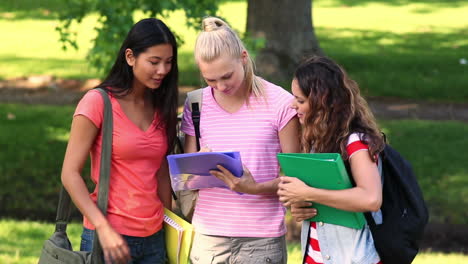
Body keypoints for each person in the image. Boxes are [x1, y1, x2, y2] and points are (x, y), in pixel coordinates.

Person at [180, 16, 300, 264]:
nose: (220, 86)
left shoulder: (280, 103)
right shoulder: (195, 104)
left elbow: (294, 179)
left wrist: (252, 188)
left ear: (243, 58)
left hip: (261, 241)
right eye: (210, 80)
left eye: (226, 76)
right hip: (208, 240)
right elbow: (185, 179)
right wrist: (197, 165)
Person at [60, 18, 178, 264]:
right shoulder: (98, 102)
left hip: (155, 240)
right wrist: (102, 228)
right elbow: (70, 174)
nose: (163, 71)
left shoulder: (161, 107)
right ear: (130, 57)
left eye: (168, 62)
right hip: (108, 239)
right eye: (154, 62)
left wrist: (170, 228)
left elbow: (161, 174)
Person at [277, 56, 385, 264]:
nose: (292, 105)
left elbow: (371, 199)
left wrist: (307, 192)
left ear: (322, 101)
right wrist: (301, 205)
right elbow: (324, 199)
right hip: (316, 255)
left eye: (300, 100)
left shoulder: (356, 142)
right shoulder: (317, 141)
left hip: (351, 257)